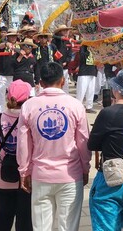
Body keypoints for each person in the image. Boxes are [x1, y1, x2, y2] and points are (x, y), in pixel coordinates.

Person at [17, 62, 91, 231]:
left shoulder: (29, 106)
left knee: (41, 226)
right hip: (70, 175)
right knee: (69, 226)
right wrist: (84, 168)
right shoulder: (75, 105)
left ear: (41, 82)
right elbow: (83, 142)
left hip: (40, 175)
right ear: (63, 81)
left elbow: (23, 143)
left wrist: (24, 171)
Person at [88, 69, 123, 231]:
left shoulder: (107, 113)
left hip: (110, 177)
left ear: (118, 90)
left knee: (105, 224)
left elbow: (92, 145)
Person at [0, 80, 33, 231]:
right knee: (25, 220)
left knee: (3, 216)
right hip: (26, 180)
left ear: (8, 97)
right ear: (28, 98)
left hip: (1, 178)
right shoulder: (30, 118)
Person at [0, 29, 19, 113]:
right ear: (8, 37)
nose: (13, 38)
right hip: (3, 73)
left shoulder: (19, 46)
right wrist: (6, 44)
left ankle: (12, 110)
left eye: (14, 36)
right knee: (1, 93)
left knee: (13, 93)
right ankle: (0, 112)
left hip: (14, 73)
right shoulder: (3, 44)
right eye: (11, 36)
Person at [76, 45, 97, 113]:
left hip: (92, 71)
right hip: (84, 72)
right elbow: (82, 58)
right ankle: (78, 106)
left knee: (91, 90)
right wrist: (88, 50)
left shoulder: (96, 47)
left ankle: (89, 106)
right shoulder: (83, 47)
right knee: (81, 90)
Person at [52, 25, 74, 93]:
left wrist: (66, 62)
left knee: (65, 84)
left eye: (66, 30)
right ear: (59, 32)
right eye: (64, 30)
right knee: (56, 83)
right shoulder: (55, 40)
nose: (66, 32)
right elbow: (55, 52)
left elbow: (70, 54)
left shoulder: (68, 41)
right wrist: (60, 62)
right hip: (57, 65)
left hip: (65, 66)